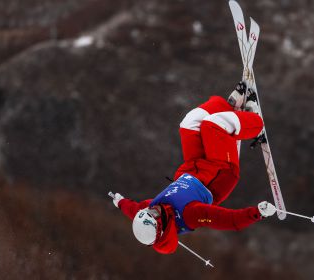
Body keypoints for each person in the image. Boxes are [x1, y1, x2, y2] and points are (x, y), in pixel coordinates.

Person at [110, 82, 276, 254]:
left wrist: (119, 202)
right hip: (220, 173)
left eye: (148, 210)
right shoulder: (189, 215)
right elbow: (228, 220)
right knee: (213, 126)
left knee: (189, 124)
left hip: (194, 167)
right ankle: (256, 125)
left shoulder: (150, 209)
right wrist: (257, 213)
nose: (153, 208)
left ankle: (230, 108)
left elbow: (133, 209)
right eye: (154, 214)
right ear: (162, 225)